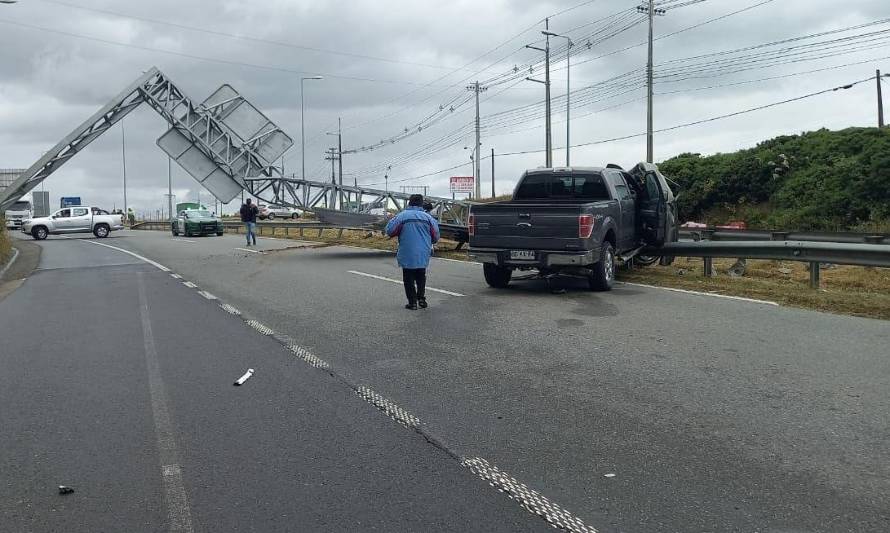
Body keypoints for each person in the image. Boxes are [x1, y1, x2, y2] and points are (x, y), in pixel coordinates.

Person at [385, 194, 440, 310]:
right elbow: (435, 237)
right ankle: (421, 299)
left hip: (407, 251)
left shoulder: (402, 216)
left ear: (409, 203)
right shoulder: (429, 218)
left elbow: (390, 231)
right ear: (421, 204)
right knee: (421, 275)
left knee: (408, 277)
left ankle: (412, 302)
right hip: (423, 252)